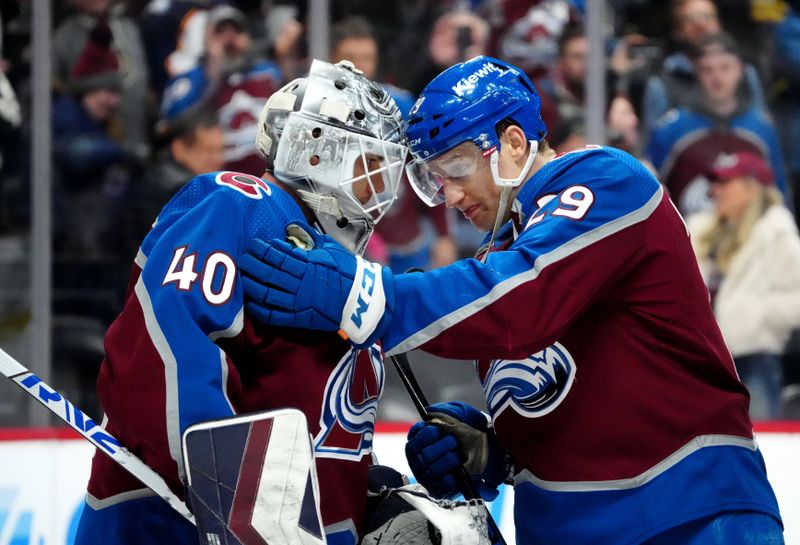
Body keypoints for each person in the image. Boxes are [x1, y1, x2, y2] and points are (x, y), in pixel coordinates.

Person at [238, 56, 784, 544]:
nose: (448, 195)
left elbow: (522, 301)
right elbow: (568, 389)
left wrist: (360, 291)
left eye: (453, 167)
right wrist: (493, 448)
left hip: (690, 514)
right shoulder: (496, 259)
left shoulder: (606, 182)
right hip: (567, 527)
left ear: (516, 144)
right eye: (431, 180)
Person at [73, 59, 408, 545]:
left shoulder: (342, 269)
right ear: (316, 153)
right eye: (368, 166)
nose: (380, 192)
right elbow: (164, 351)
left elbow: (317, 422)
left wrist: (364, 489)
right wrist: (232, 499)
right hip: (170, 527)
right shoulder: (238, 204)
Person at [330, 15, 457, 273]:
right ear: (333, 58)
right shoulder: (318, 112)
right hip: (348, 246)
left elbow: (430, 167)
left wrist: (444, 236)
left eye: (367, 58)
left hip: (408, 245)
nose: (360, 67)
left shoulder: (399, 106)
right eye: (350, 57)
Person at [687, 151, 800, 420]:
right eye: (716, 183)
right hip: (701, 359)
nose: (715, 191)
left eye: (725, 183)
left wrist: (758, 316)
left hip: (753, 360)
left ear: (751, 189)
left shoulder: (777, 232)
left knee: (757, 441)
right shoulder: (700, 230)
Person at [646, 32, 789, 217]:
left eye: (725, 67)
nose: (717, 77)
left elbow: (779, 195)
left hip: (751, 241)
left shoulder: (762, 128)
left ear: (741, 71)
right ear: (696, 73)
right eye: (708, 70)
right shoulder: (671, 128)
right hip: (689, 240)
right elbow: (648, 190)